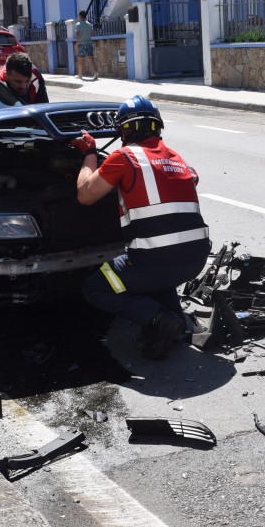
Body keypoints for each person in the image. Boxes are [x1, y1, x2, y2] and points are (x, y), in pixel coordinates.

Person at [71, 95, 210, 360]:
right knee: (159, 270)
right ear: (158, 127)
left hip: (154, 263)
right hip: (194, 261)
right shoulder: (179, 159)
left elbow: (85, 195)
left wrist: (89, 152)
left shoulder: (124, 157)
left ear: (123, 130)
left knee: (95, 287)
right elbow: (191, 179)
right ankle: (175, 321)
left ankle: (159, 319)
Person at [75, 10, 98, 80]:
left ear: (80, 16)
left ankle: (80, 75)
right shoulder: (89, 24)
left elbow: (78, 35)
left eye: (78, 15)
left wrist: (76, 44)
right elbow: (93, 33)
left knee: (80, 60)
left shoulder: (78, 25)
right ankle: (95, 73)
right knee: (91, 59)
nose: (78, 16)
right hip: (89, 43)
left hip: (81, 44)